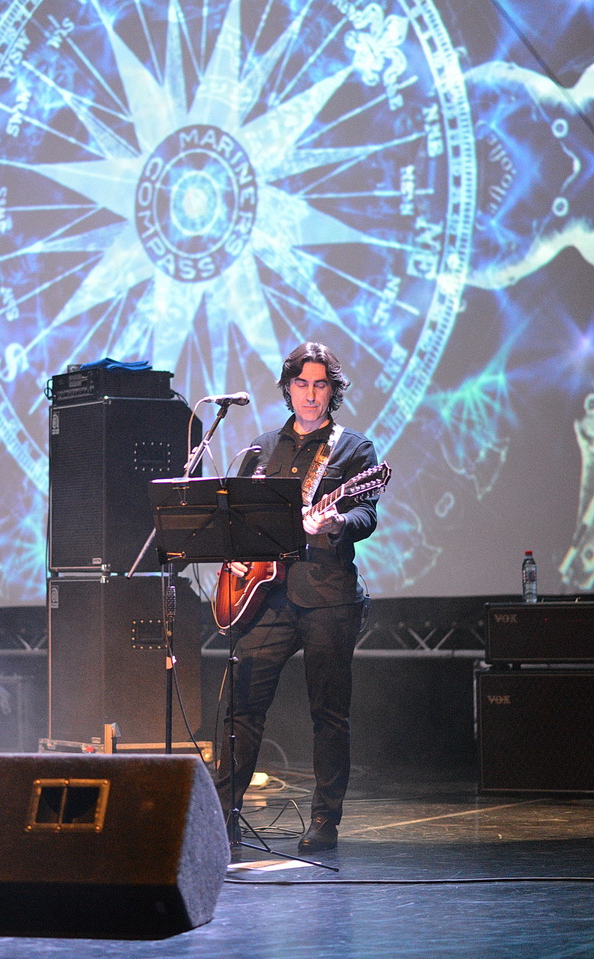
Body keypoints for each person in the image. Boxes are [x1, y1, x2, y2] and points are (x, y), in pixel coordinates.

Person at [215, 341, 380, 853]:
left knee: (328, 714)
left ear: (333, 391)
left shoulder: (354, 449)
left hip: (328, 595)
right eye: (302, 384)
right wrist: (235, 555)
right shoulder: (262, 448)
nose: (311, 394)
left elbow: (366, 516)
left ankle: (324, 821)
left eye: (320, 384)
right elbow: (236, 518)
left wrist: (335, 523)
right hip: (265, 598)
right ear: (288, 388)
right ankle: (222, 817)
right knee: (242, 707)